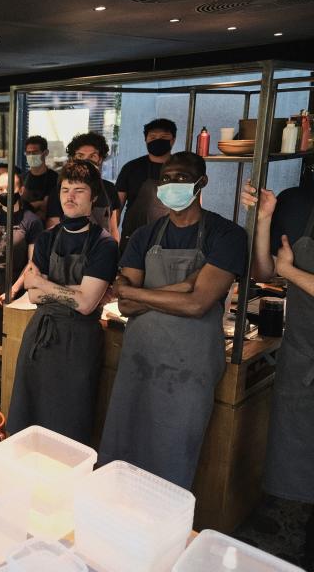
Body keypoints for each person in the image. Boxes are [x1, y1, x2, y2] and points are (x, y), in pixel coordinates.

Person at [100, 152, 247, 490]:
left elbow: (198, 305)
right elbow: (124, 304)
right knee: (125, 442)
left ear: (201, 182)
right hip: (140, 360)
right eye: (166, 178)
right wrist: (181, 287)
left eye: (181, 177)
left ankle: (165, 525)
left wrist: (144, 293)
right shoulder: (143, 236)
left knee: (174, 448)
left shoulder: (226, 235)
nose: (171, 185)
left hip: (189, 367)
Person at [6, 160, 118, 443]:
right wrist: (76, 290)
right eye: (65, 189)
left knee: (69, 423)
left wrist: (45, 284)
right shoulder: (46, 239)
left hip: (78, 344)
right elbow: (33, 295)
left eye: (79, 190)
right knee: (26, 418)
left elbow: (86, 305)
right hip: (40, 337)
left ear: (93, 197)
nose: (70, 196)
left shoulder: (103, 244)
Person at [242, 179, 314, 555]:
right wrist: (264, 221)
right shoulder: (298, 200)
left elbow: (285, 271)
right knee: (299, 473)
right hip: (303, 356)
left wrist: (293, 272)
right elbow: (264, 272)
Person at [0, 165, 43, 308]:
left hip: (20, 290)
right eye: (0, 189)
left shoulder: (32, 221)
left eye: (9, 188)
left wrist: (13, 290)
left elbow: (33, 262)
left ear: (21, 190)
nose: (5, 192)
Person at [115, 118, 176, 251]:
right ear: (146, 140)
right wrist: (113, 234)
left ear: (173, 140)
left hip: (171, 237)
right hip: (133, 235)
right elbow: (116, 206)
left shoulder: (181, 168)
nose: (157, 140)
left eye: (164, 137)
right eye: (153, 137)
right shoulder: (131, 168)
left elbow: (195, 203)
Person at [46, 133, 122, 239]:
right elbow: (53, 227)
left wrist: (114, 251)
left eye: (92, 156)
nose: (86, 160)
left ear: (100, 159)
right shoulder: (60, 190)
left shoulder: (109, 188)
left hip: (102, 248)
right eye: (80, 156)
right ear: (72, 158)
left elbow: (113, 228)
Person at [21, 135, 57, 222]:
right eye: (28, 153)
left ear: (45, 153)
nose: (31, 156)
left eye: (35, 152)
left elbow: (48, 205)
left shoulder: (55, 178)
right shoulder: (22, 178)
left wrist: (29, 205)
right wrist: (38, 204)